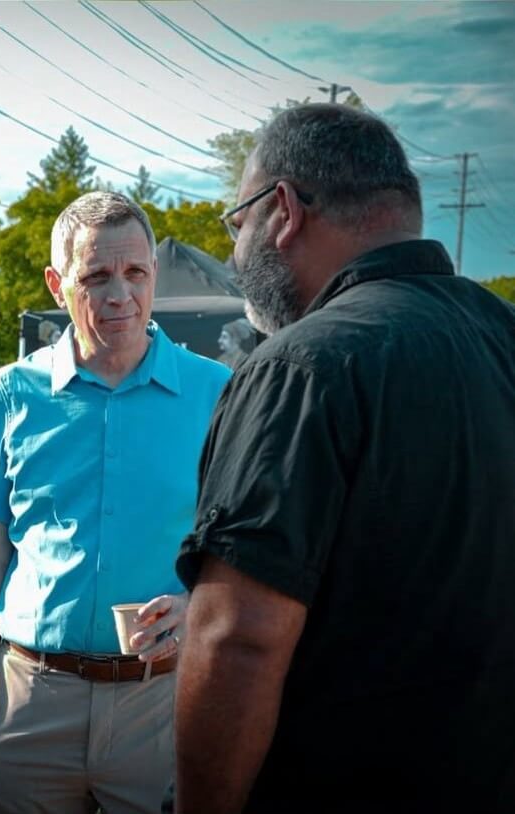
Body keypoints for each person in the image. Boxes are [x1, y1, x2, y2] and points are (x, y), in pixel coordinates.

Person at [174, 104, 515, 813]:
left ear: (284, 211)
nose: (238, 253)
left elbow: (239, 637)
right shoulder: (500, 334)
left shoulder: (299, 367)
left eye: (238, 224)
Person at [0, 191, 231, 814]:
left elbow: (239, 547)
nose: (119, 295)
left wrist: (195, 605)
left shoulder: (218, 394)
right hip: (28, 701)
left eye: (135, 274)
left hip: (163, 701)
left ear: (153, 274)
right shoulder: (10, 394)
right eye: (96, 276)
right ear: (57, 284)